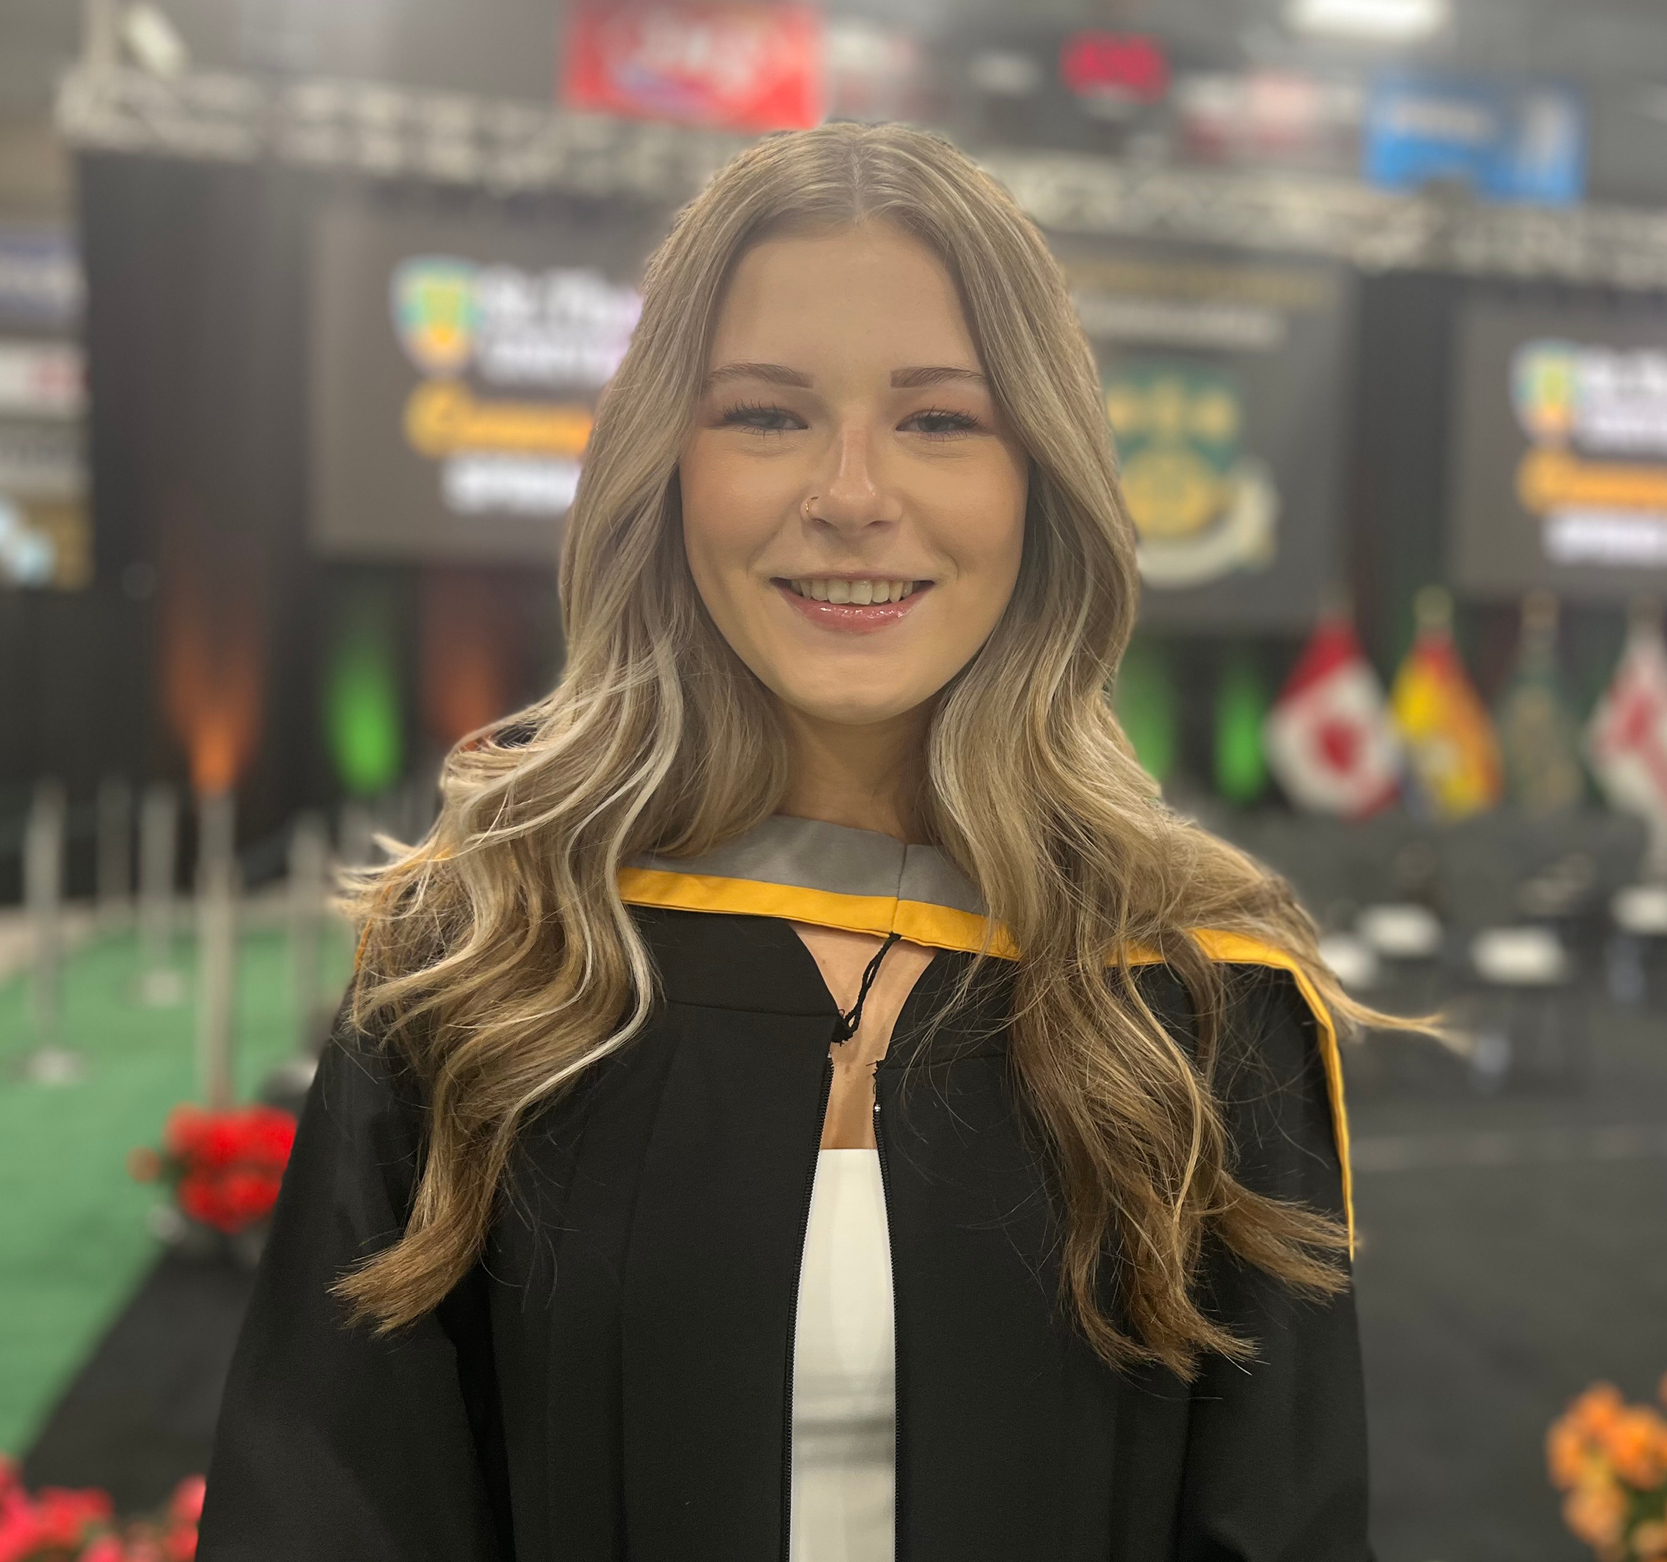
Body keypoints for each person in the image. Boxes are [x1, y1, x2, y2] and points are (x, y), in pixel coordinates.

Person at [198, 121, 1371, 1562]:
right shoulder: (482, 965)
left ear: (1040, 478)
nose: (851, 494)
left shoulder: (1196, 1002)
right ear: (668, 464)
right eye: (765, 415)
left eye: (940, 421)